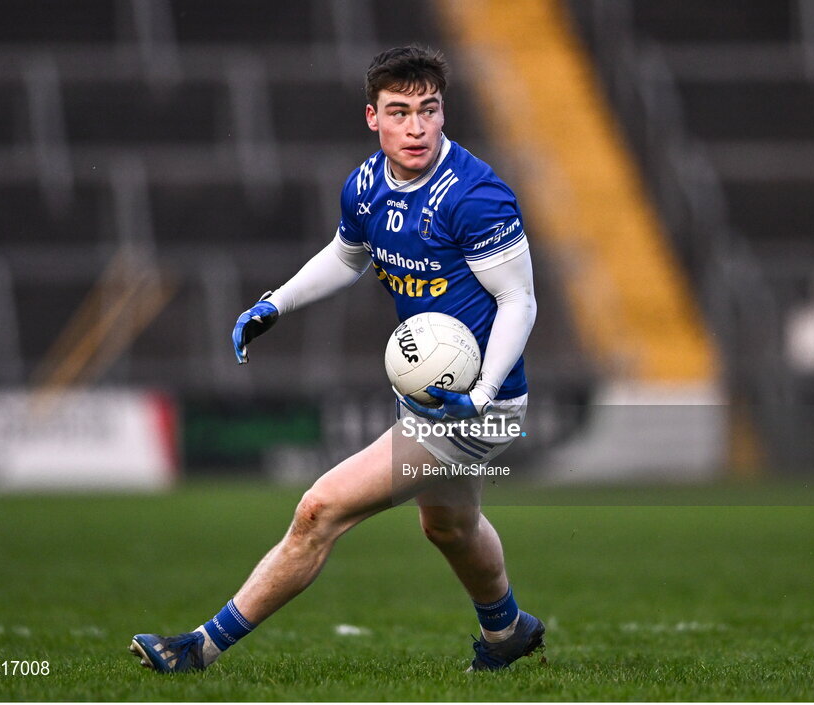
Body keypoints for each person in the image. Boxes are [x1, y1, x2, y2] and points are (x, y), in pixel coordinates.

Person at [129, 45, 542, 673]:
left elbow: (519, 301)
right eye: (399, 112)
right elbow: (348, 255)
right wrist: (275, 304)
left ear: (442, 112)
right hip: (432, 395)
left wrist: (481, 397)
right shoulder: (367, 184)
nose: (416, 127)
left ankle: (197, 649)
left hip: (477, 407)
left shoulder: (477, 196)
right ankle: (506, 631)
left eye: (428, 111)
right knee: (450, 527)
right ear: (372, 117)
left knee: (319, 510)